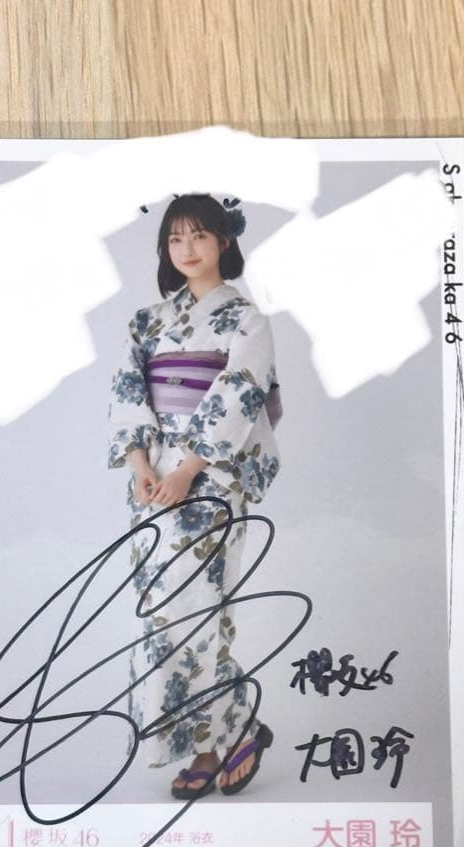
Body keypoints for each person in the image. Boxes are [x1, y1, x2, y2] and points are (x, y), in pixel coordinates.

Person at [107, 193, 282, 799]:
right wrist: (140, 466)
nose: (187, 248)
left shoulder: (246, 320)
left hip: (210, 479)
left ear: (223, 242)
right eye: (175, 238)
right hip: (153, 482)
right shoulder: (147, 322)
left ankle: (223, 739)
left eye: (199, 236)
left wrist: (188, 469)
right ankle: (222, 736)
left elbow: (240, 395)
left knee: (203, 609)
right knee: (159, 614)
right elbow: (128, 394)